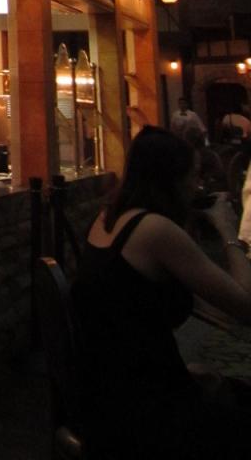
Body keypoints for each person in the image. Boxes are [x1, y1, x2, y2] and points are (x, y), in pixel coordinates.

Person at [71, 126, 251, 460]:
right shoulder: (155, 231)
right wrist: (230, 232)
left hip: (105, 398)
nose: (197, 185)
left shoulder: (107, 218)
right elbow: (244, 304)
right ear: (171, 179)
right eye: (193, 175)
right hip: (145, 419)